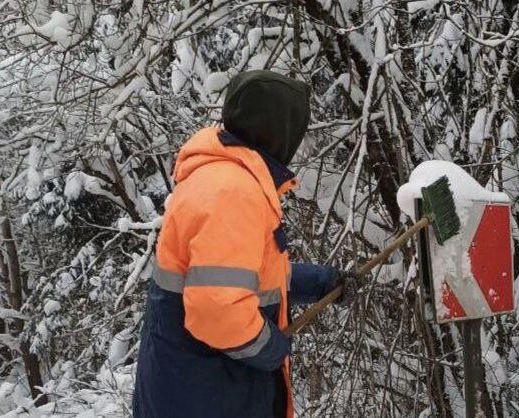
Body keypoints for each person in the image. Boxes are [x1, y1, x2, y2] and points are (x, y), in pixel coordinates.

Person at [133, 70, 355, 418]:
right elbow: (218, 310)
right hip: (209, 396)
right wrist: (271, 348)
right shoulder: (233, 192)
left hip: (192, 387)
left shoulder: (219, 176)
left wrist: (321, 282)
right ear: (279, 131)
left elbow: (236, 279)